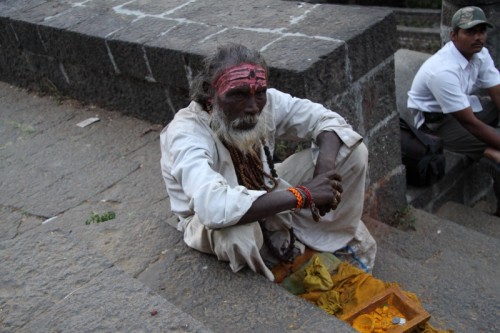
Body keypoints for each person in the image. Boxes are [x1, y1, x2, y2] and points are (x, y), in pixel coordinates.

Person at [160, 43, 376, 281]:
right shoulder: (185, 133)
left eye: (259, 93)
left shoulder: (266, 102)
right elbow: (213, 207)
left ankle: (322, 236)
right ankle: (269, 279)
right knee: (238, 235)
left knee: (353, 153)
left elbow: (327, 120)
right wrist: (302, 195)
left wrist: (323, 173)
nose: (252, 107)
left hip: (265, 186)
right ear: (210, 93)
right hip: (207, 221)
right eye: (238, 95)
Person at [407, 6, 500, 214]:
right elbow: (471, 124)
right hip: (436, 127)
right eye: (470, 32)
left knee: (494, 105)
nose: (478, 37)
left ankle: (488, 150)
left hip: (461, 110)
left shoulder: (480, 54)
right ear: (454, 35)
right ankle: (489, 153)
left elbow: (498, 94)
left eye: (482, 31)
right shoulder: (443, 71)